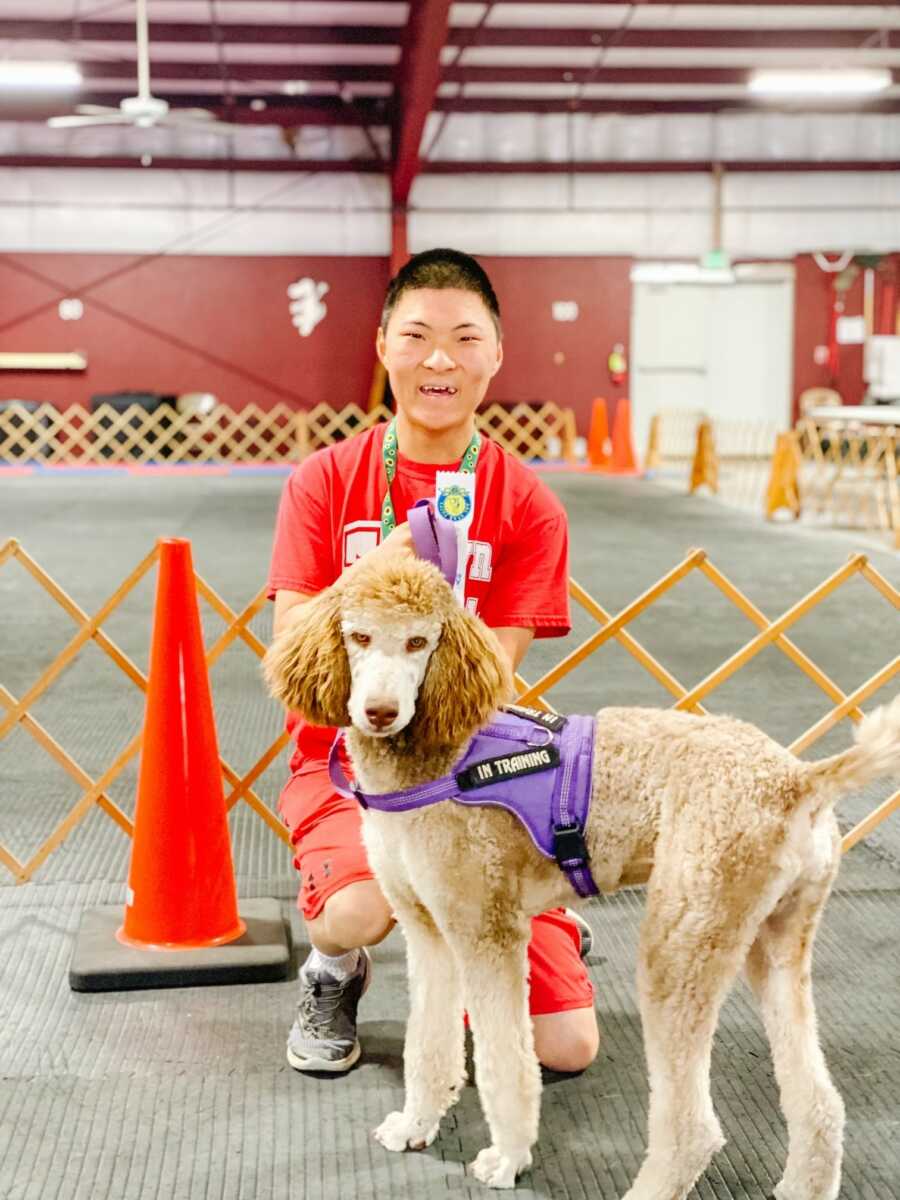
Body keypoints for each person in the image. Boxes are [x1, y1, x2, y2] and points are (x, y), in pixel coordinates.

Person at [267, 248, 600, 1076]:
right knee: (361, 907)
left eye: (464, 338)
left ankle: (518, 920)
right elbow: (297, 651)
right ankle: (334, 969)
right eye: (416, 336)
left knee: (565, 1050)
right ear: (383, 347)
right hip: (349, 764)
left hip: (482, 774)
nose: (439, 359)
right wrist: (390, 555)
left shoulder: (529, 505)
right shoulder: (324, 481)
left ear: (496, 354)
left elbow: (491, 680)